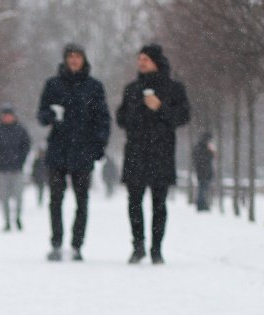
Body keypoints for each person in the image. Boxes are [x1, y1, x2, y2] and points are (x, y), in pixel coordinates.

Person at [116, 43, 190, 265]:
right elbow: (121, 118)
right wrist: (136, 112)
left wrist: (160, 107)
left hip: (161, 152)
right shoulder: (131, 89)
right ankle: (138, 246)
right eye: (139, 59)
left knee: (159, 204)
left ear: (156, 61)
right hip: (136, 151)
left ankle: (156, 248)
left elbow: (183, 117)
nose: (141, 63)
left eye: (145, 59)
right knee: (134, 202)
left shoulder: (174, 88)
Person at [37, 42, 111, 261]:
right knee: (55, 200)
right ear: (65, 59)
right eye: (70, 56)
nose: (74, 60)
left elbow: (103, 119)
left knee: (82, 201)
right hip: (58, 150)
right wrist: (51, 115)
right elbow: (41, 115)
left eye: (77, 56)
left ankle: (77, 245)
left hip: (83, 151)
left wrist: (99, 145)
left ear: (84, 59)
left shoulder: (94, 87)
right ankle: (56, 243)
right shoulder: (52, 85)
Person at [0, 103, 31, 231]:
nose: (7, 118)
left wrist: (21, 160)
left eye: (9, 115)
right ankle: (6, 221)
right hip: (2, 170)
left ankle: (17, 217)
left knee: (18, 196)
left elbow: (26, 146)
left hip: (17, 169)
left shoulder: (21, 130)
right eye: (5, 115)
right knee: (4, 197)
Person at [191, 131, 215, 212]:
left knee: (203, 188)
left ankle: (202, 204)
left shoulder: (199, 147)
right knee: (203, 188)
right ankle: (201, 205)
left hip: (202, 171)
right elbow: (207, 159)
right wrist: (210, 152)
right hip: (204, 172)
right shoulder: (204, 148)